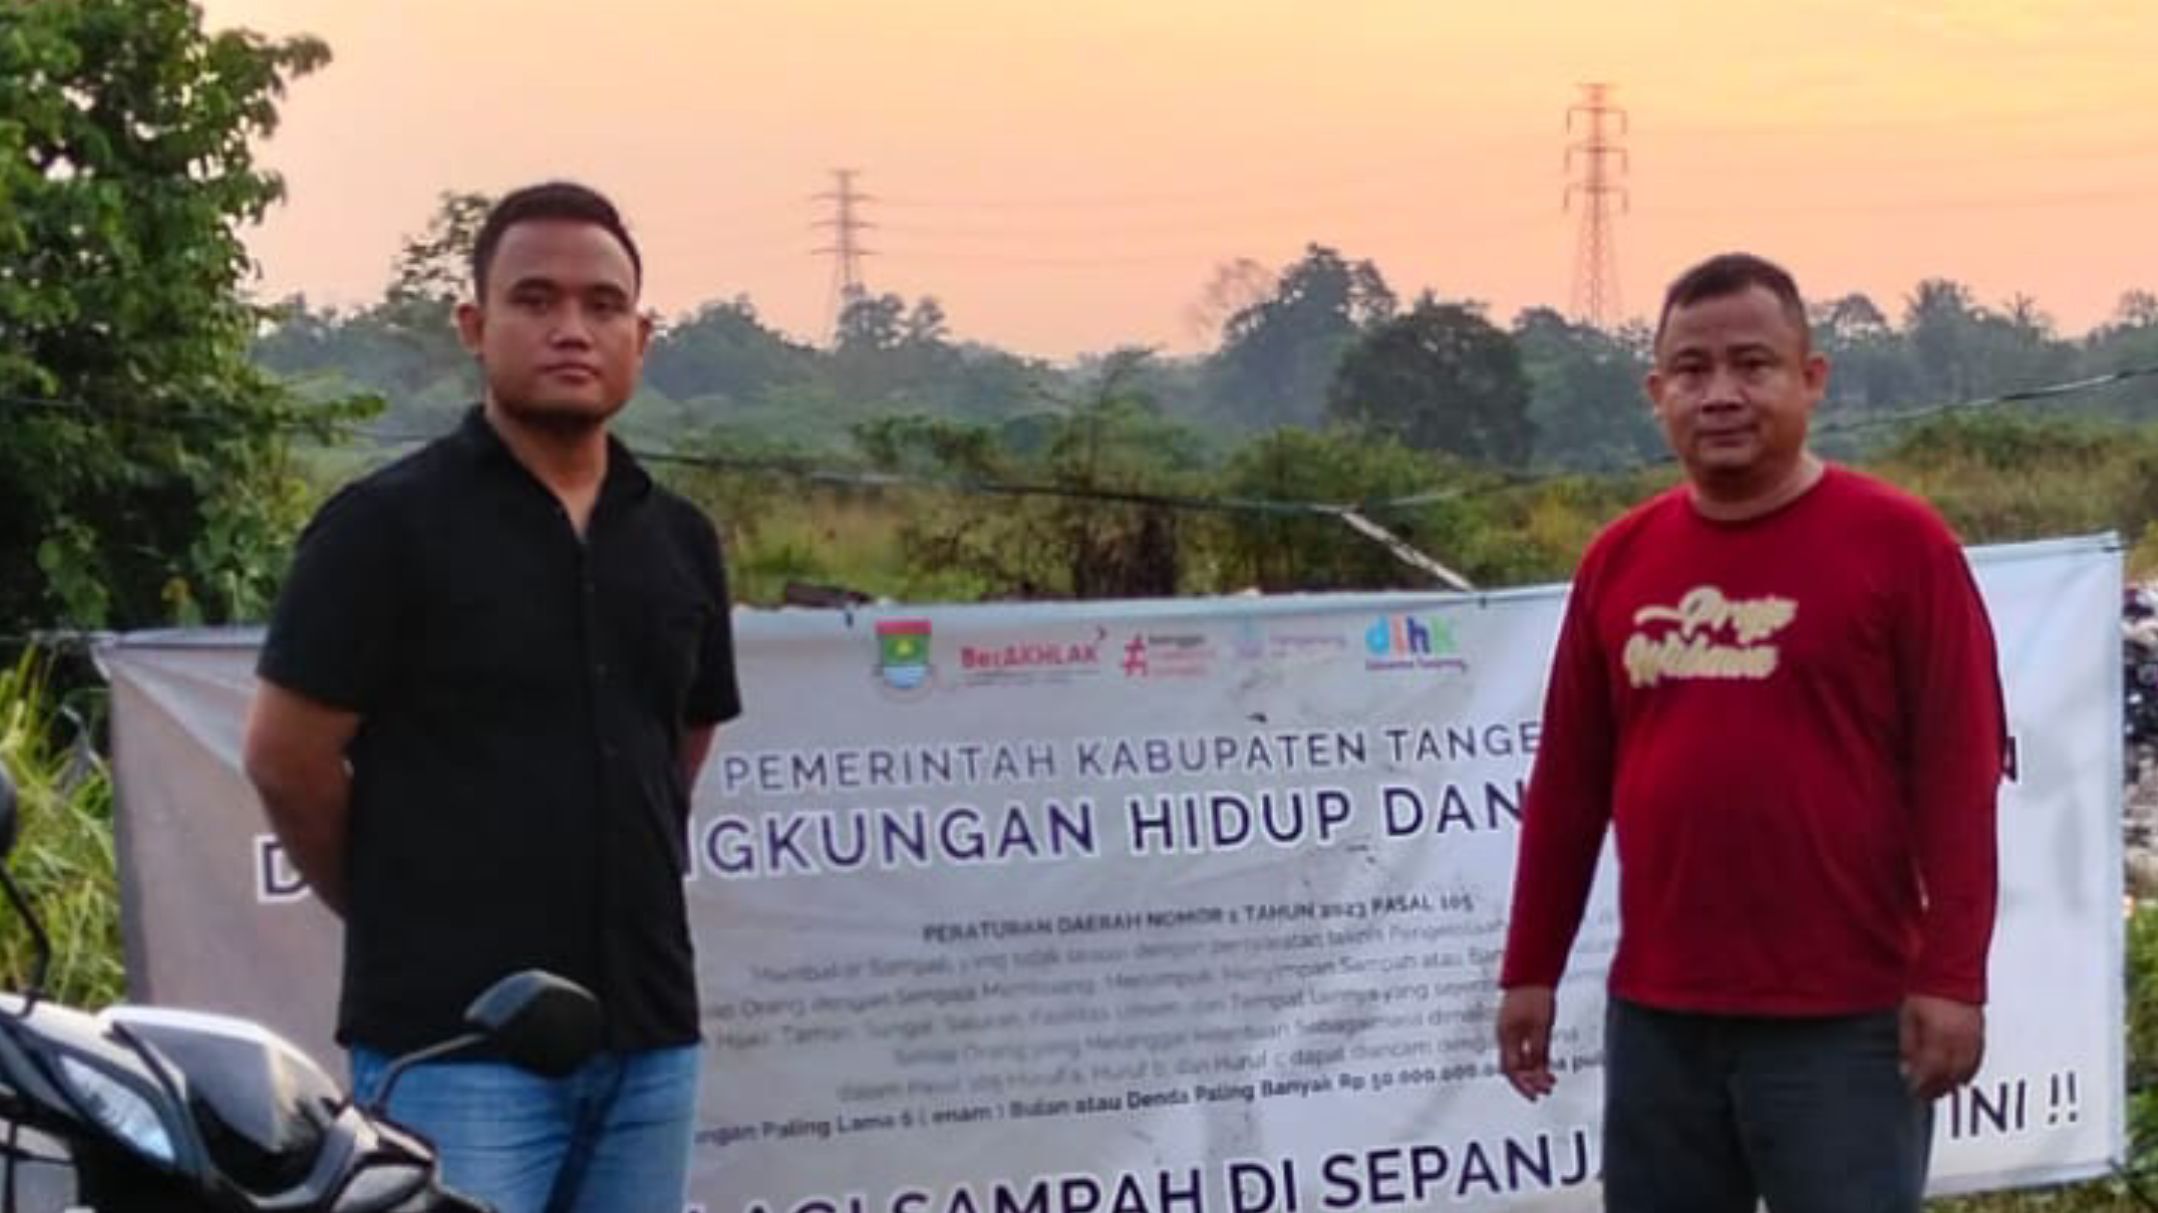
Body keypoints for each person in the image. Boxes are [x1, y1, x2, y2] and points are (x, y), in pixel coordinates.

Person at [242, 181, 739, 1213]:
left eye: (603, 305)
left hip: (648, 1039)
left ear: (642, 336)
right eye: (535, 299)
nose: (572, 330)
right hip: (452, 1046)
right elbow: (287, 759)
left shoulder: (679, 540)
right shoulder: (384, 530)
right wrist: (403, 913)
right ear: (474, 325)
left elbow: (678, 745)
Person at [1493, 252, 2007, 1212]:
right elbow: (1567, 784)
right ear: (1657, 393)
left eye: (1752, 365)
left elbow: (1959, 776)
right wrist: (1531, 967)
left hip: (1845, 1020)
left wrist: (1954, 977)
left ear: (1810, 379)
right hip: (1661, 1018)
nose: (1720, 394)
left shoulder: (1903, 547)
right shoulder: (1620, 560)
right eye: (1692, 370)